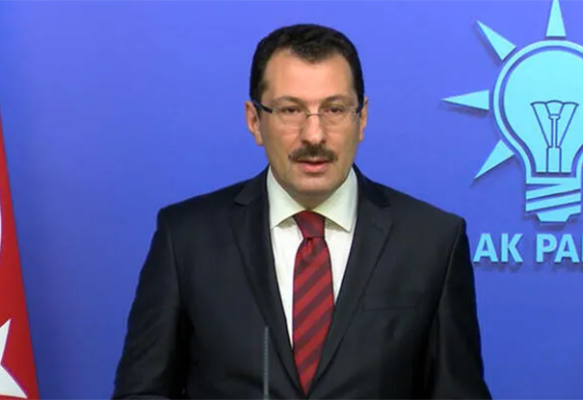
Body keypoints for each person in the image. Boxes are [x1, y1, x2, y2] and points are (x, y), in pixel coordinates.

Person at [111, 23, 492, 400]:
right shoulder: (186, 237)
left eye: (334, 109)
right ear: (255, 120)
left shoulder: (432, 241)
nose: (314, 135)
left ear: (362, 119)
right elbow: (142, 392)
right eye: (291, 110)